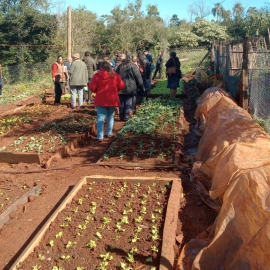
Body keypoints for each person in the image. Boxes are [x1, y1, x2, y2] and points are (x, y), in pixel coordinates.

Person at [89, 61, 125, 142]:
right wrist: (116, 89)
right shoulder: (115, 75)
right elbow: (122, 86)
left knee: (100, 117)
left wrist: (97, 91)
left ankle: (100, 136)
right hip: (112, 99)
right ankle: (109, 133)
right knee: (110, 116)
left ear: (101, 67)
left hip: (101, 99)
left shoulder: (97, 76)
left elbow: (92, 87)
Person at [116, 53, 145, 121]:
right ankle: (126, 116)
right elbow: (138, 77)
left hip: (121, 87)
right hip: (131, 88)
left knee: (122, 102)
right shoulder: (133, 66)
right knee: (128, 102)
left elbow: (115, 76)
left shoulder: (120, 66)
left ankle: (121, 116)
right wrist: (142, 86)